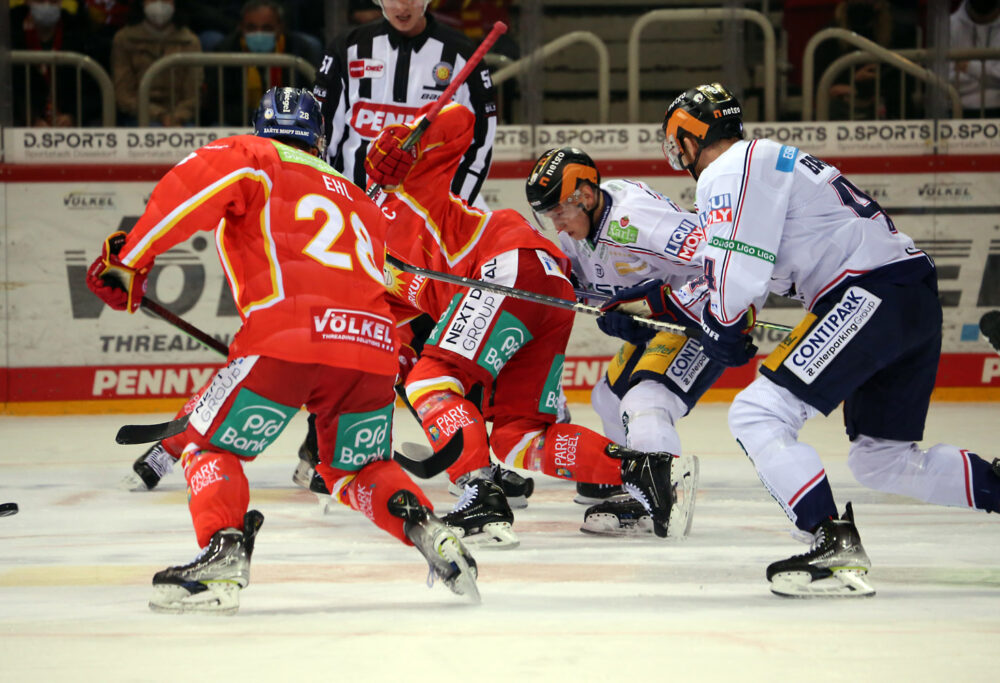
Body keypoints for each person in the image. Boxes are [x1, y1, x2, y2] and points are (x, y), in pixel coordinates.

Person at [86, 86, 479, 613]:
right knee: (356, 469)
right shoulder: (359, 199)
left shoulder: (253, 155)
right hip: (370, 350)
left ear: (260, 124)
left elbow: (191, 186)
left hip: (287, 338)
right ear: (320, 138)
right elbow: (399, 289)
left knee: (208, 446)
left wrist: (130, 257)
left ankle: (223, 554)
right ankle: (433, 533)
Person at [639, 81, 1000, 597]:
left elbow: (737, 278)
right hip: (905, 293)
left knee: (756, 414)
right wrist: (716, 317)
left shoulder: (726, 169)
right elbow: (746, 270)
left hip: (866, 291)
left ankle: (828, 539)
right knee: (881, 458)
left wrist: (722, 323)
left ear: (688, 138)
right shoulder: (763, 161)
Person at [363, 101, 697, 547]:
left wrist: (408, 139)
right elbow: (404, 353)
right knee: (518, 436)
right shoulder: (369, 277)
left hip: (508, 266)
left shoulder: (395, 194)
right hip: (546, 291)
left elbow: (462, 119)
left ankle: (481, 492)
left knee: (433, 382)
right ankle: (647, 472)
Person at [526, 147, 708, 536]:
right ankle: (631, 475)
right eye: (549, 214)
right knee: (607, 399)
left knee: (645, 401)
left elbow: (721, 262)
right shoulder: (577, 233)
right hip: (662, 323)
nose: (556, 224)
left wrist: (666, 305)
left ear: (587, 197)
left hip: (701, 318)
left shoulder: (636, 219)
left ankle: (658, 500)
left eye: (559, 210)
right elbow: (583, 291)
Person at [313, 0, 496, 207]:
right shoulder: (346, 48)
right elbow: (321, 135)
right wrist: (330, 200)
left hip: (429, 213)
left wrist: (450, 209)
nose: (402, 8)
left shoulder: (462, 54)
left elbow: (480, 144)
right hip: (354, 208)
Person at [203, 0, 324, 126]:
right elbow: (217, 105)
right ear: (241, 27)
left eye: (266, 28)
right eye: (251, 28)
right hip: (238, 123)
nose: (259, 33)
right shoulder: (225, 51)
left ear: (280, 27)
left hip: (288, 123)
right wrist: (260, 116)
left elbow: (309, 98)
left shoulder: (300, 49)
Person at [9, 0, 104, 126]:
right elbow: (4, 86)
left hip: (70, 122)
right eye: (41, 1)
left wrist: (73, 116)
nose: (47, 5)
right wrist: (31, 118)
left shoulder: (79, 31)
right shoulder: (9, 31)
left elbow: (93, 89)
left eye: (53, 1)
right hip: (22, 121)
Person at [110, 0, 201, 127]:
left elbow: (193, 93)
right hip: (138, 116)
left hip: (181, 120)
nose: (159, 3)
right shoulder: (123, 39)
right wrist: (160, 115)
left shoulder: (190, 41)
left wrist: (178, 116)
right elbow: (124, 95)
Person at [949, 0, 1000, 118]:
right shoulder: (949, 25)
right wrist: (990, 78)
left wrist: (968, 67)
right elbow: (945, 81)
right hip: (957, 110)